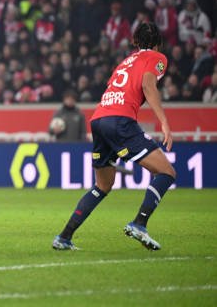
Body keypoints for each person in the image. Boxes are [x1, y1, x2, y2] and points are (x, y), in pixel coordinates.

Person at [52, 22, 176, 251]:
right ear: (158, 43)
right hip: (120, 120)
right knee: (166, 172)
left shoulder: (126, 61)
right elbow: (148, 85)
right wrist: (165, 122)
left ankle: (64, 237)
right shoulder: (157, 58)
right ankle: (139, 223)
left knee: (103, 185)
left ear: (135, 42)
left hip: (99, 119)